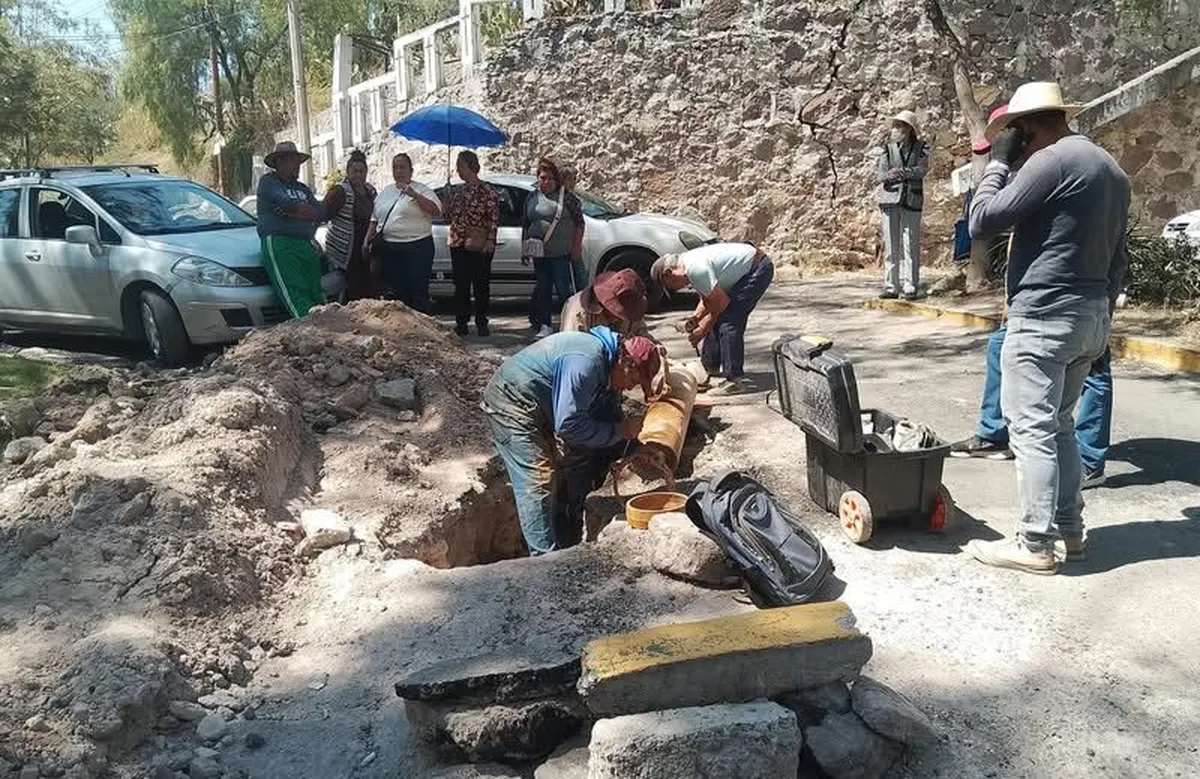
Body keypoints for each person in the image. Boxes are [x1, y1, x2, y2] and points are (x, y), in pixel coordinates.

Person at [965, 81, 1130, 575]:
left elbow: (982, 219)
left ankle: (1035, 542)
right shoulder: (1111, 169)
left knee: (1031, 430)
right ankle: (1070, 531)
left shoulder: (1050, 160)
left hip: (1044, 317)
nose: (1013, 147)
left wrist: (996, 165)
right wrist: (1101, 314)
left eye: (1013, 136)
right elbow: (1119, 257)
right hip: (1090, 315)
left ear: (1025, 129)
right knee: (1060, 426)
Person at [482, 327, 665, 555]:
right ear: (627, 364)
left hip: (540, 403)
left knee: (566, 467)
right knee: (537, 478)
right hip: (512, 402)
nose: (630, 388)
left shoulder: (610, 362)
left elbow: (606, 413)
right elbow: (568, 425)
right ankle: (544, 562)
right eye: (633, 380)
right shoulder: (586, 363)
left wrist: (636, 446)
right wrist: (619, 431)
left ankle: (566, 528)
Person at [650, 242, 774, 395]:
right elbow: (708, 298)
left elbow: (720, 303)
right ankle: (710, 366)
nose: (675, 289)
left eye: (670, 286)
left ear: (669, 273)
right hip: (747, 269)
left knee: (729, 319)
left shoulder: (695, 268)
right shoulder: (688, 265)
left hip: (757, 269)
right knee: (720, 315)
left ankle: (734, 380)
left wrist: (702, 330)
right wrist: (695, 319)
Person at [256, 141, 327, 318]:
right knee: (295, 293)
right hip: (281, 243)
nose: (296, 166)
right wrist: (298, 210)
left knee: (314, 291)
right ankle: (308, 332)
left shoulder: (302, 188)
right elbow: (287, 203)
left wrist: (295, 212)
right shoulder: (269, 182)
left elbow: (321, 212)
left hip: (305, 243)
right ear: (279, 162)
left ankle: (327, 332)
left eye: (297, 162)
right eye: (291, 161)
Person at [364, 152, 442, 313]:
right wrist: (366, 240)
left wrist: (414, 195)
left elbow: (436, 211)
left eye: (402, 167)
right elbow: (375, 218)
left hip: (417, 247)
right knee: (397, 292)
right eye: (395, 167)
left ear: (410, 170)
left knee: (418, 291)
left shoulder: (422, 189)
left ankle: (422, 327)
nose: (398, 171)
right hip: (391, 248)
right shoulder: (386, 191)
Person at [523, 158, 585, 338]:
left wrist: (576, 247)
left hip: (560, 253)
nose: (546, 182)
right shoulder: (531, 197)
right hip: (539, 253)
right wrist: (524, 247)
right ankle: (545, 324)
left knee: (563, 288)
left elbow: (579, 224)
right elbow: (526, 223)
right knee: (543, 288)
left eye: (550, 178)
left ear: (556, 180)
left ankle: (570, 322)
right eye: (542, 178)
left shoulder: (567, 198)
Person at [443, 150, 500, 336]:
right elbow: (448, 217)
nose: (458, 170)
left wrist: (491, 240)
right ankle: (461, 322)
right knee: (461, 285)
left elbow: (493, 217)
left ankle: (482, 321)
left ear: (470, 167)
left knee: (481, 285)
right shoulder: (457, 191)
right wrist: (446, 198)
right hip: (458, 243)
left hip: (479, 242)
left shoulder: (487, 190)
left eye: (460, 166)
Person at [875, 110, 929, 300]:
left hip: (912, 200)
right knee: (891, 246)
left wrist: (902, 172)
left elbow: (922, 170)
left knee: (910, 245)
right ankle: (891, 286)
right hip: (889, 200)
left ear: (909, 129)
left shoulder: (922, 148)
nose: (896, 130)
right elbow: (880, 175)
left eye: (900, 126)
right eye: (895, 126)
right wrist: (890, 175)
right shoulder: (886, 149)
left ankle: (910, 285)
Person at [322, 149, 377, 301]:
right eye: (355, 171)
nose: (358, 175)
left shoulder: (370, 192)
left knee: (367, 292)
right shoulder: (339, 192)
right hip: (347, 254)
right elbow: (322, 215)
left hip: (366, 252)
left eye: (362, 171)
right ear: (347, 171)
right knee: (349, 293)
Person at [560, 268, 651, 338]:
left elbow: (642, 333)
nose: (617, 319)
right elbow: (571, 350)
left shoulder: (633, 307)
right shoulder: (577, 311)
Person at [560, 162, 589, 292]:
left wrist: (576, 246)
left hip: (570, 245)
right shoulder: (566, 198)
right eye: (571, 179)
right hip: (566, 246)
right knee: (578, 278)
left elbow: (580, 224)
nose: (574, 182)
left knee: (579, 276)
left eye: (574, 179)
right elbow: (579, 223)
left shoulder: (570, 198)